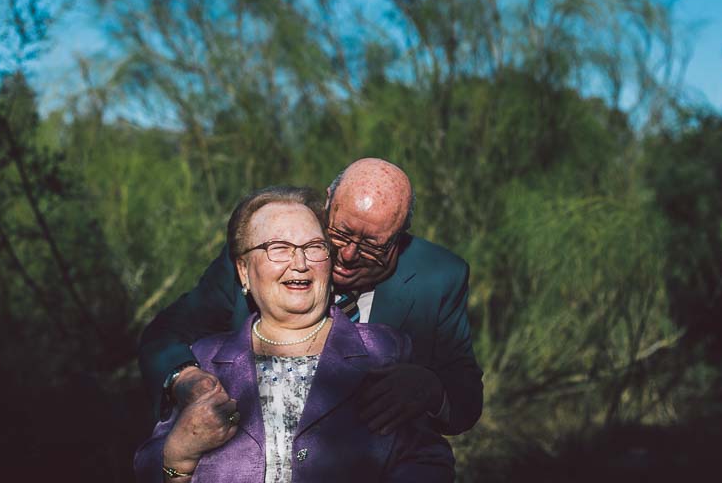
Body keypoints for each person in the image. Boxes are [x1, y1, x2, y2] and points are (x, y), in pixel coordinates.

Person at [139, 158, 482, 437]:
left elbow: (465, 393)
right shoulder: (261, 255)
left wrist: (429, 388)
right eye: (340, 233)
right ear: (328, 200)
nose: (347, 255)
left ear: (399, 239)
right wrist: (185, 380)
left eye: (372, 246)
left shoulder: (438, 277)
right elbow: (165, 335)